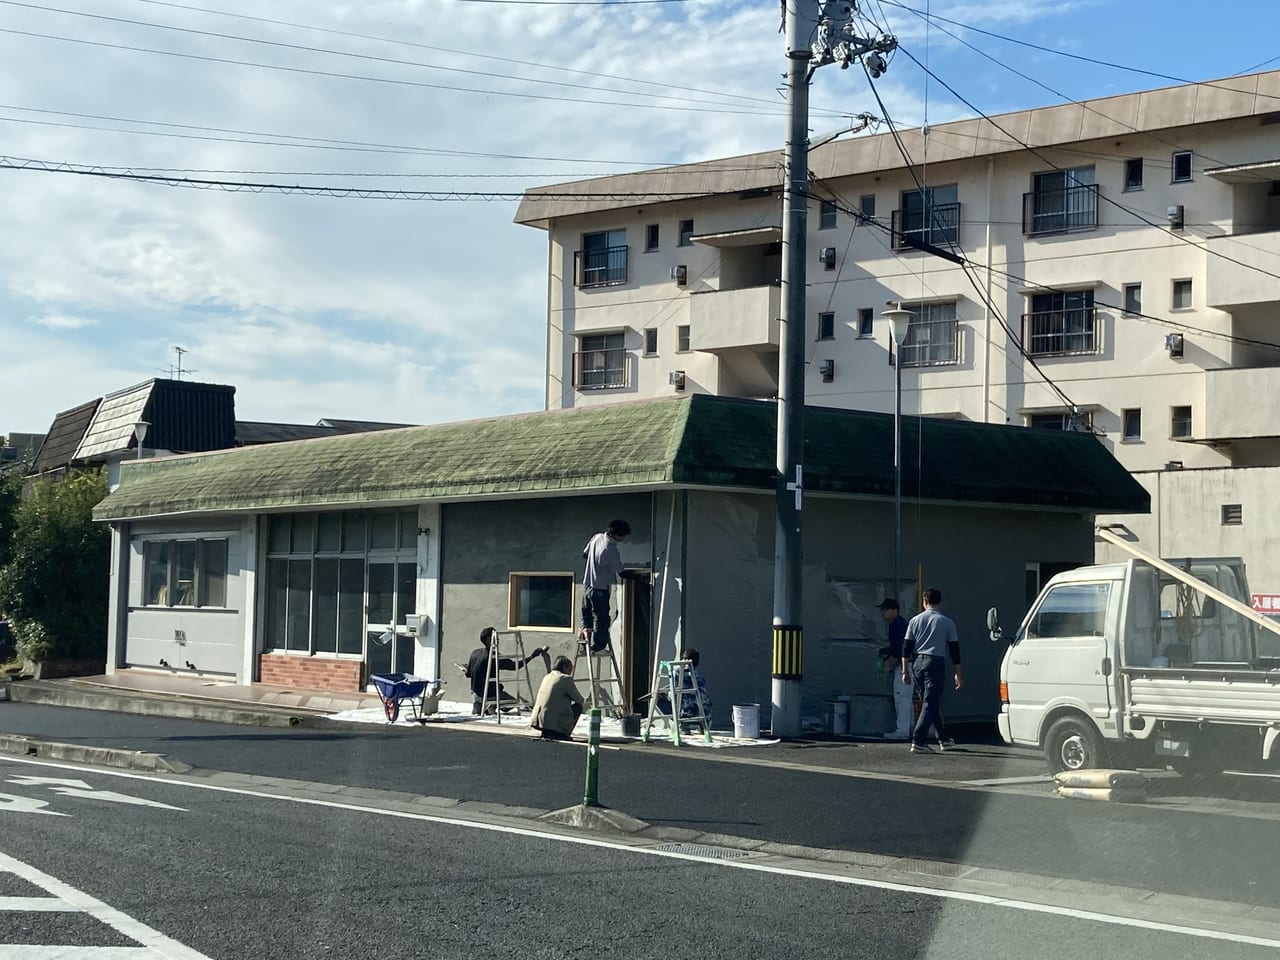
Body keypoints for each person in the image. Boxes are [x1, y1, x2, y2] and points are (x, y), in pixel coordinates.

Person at [902, 587, 962, 753]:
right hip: (935, 662)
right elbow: (954, 649)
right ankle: (918, 740)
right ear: (940, 602)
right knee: (931, 702)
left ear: (924, 602)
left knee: (929, 702)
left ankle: (943, 738)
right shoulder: (947, 622)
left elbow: (906, 647)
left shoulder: (914, 620)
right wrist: (958, 672)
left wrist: (905, 670)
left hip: (917, 663)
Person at [465, 627, 545, 715]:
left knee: (478, 711)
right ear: (489, 640)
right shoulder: (494, 657)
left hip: (476, 695)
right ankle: (491, 705)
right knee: (515, 703)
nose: (498, 640)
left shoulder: (475, 653)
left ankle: (485, 707)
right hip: (491, 695)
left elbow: (468, 674)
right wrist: (532, 656)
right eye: (496, 638)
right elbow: (515, 666)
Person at [580, 519, 630, 652]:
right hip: (600, 589)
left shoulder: (596, 537)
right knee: (601, 619)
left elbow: (584, 555)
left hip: (587, 586)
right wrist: (639, 578)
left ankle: (584, 645)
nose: (623, 539)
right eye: (623, 536)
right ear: (617, 534)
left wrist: (595, 563)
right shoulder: (611, 550)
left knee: (587, 618)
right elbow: (622, 573)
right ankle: (599, 646)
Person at [877, 598, 912, 740]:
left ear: (893, 610)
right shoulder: (902, 623)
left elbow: (901, 647)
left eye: (885, 610)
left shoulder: (895, 625)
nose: (883, 613)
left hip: (905, 665)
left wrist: (891, 660)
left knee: (901, 697)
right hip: (910, 663)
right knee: (907, 698)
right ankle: (909, 727)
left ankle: (902, 729)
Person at [657, 648, 713, 729]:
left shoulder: (677, 672)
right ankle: (703, 725)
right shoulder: (699, 676)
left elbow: (672, 694)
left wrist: (663, 694)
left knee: (660, 700)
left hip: (686, 714)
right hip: (705, 714)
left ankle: (683, 725)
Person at [531, 656, 585, 741]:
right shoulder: (564, 678)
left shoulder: (547, 676)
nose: (571, 672)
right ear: (564, 667)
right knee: (578, 706)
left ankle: (547, 731)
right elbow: (579, 700)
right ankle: (563, 732)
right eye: (570, 668)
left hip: (539, 720)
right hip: (554, 721)